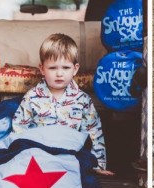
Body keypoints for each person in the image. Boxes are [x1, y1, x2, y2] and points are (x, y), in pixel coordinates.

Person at [12, 33, 114, 176]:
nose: (59, 73)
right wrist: (17, 160)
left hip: (72, 157)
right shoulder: (32, 97)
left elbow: (93, 133)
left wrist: (97, 165)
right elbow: (19, 130)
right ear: (42, 69)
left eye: (66, 68)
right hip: (39, 157)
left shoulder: (82, 100)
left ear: (75, 69)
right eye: (53, 68)